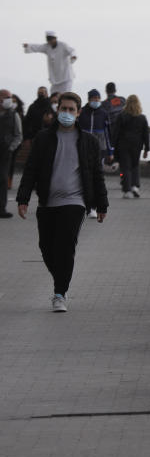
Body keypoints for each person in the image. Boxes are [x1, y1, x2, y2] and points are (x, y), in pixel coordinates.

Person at [16, 92, 108, 312]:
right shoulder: (43, 138)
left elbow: (96, 174)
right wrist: (23, 198)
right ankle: (62, 277)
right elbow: (31, 170)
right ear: (57, 111)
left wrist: (102, 205)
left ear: (78, 113)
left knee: (65, 247)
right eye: (63, 109)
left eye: (71, 110)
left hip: (75, 202)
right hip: (48, 202)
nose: (66, 113)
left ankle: (60, 293)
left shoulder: (89, 141)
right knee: (46, 248)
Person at [112, 95, 150, 199]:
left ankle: (127, 190)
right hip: (137, 145)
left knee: (126, 167)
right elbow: (145, 134)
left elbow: (116, 132)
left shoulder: (121, 116)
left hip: (123, 144)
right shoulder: (142, 118)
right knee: (135, 165)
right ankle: (135, 186)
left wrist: (112, 147)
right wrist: (147, 148)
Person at [0, 89, 24, 217]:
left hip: (5, 152)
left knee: (3, 180)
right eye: (7, 97)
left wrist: (11, 148)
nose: (10, 99)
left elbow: (18, 135)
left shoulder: (14, 115)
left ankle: (1, 209)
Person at [77, 88, 114, 167]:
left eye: (98, 98)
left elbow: (108, 134)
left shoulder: (104, 114)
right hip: (84, 146)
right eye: (94, 98)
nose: (96, 100)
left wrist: (110, 152)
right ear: (89, 99)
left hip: (100, 148)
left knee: (97, 169)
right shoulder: (81, 112)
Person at [7, 93, 25, 189]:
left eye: (15, 101)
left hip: (15, 143)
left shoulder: (18, 114)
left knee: (11, 162)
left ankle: (9, 181)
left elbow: (20, 132)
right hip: (5, 143)